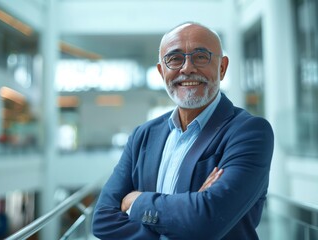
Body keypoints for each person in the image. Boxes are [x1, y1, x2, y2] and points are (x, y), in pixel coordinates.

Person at [92, 21, 274, 239]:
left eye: (200, 56)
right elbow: (102, 221)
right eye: (175, 58)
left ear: (222, 68)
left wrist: (137, 201)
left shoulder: (250, 132)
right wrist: (187, 212)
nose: (187, 68)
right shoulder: (143, 136)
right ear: (161, 71)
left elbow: (207, 220)